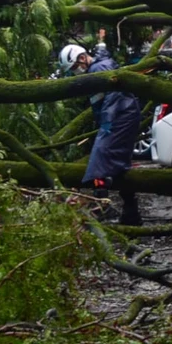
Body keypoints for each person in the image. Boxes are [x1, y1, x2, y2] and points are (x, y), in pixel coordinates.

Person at [58, 29, 143, 225]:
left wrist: (106, 124)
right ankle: (131, 212)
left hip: (121, 116)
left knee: (100, 157)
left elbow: (112, 100)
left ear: (81, 58)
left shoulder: (99, 69)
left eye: (74, 67)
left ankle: (102, 206)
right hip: (121, 116)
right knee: (119, 165)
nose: (75, 72)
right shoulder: (96, 66)